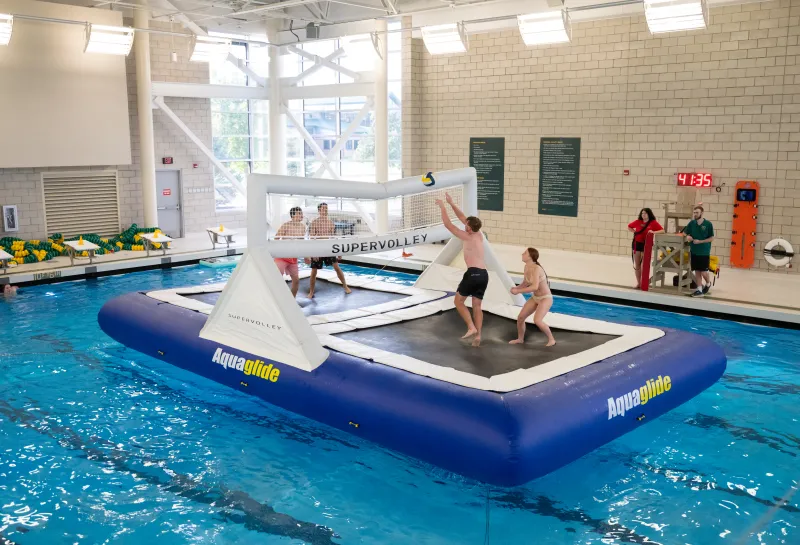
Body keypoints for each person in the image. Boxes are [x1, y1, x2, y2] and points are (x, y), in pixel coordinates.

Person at [435, 192, 487, 347]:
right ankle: (478, 336)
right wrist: (452, 203)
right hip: (484, 275)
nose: (464, 225)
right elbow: (463, 217)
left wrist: (443, 207)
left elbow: (448, 225)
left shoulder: (467, 236)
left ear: (470, 228)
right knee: (477, 306)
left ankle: (471, 327)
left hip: (473, 274)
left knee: (458, 302)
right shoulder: (479, 234)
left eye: (466, 226)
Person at [509, 248, 556, 347]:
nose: (522, 254)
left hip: (545, 298)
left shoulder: (536, 269)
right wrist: (516, 287)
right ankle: (520, 339)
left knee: (537, 320)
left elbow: (535, 286)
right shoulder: (526, 267)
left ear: (530, 257)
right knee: (521, 317)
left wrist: (518, 291)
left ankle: (552, 340)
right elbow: (526, 282)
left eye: (525, 253)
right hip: (536, 297)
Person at [307, 202, 351, 298]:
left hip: (328, 249)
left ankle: (345, 286)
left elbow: (334, 239)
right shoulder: (314, 223)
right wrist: (314, 253)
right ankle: (311, 292)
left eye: (326, 208)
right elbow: (311, 239)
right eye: (323, 209)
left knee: (337, 267)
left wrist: (338, 252)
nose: (325, 210)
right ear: (319, 211)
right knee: (314, 271)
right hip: (318, 249)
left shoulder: (330, 223)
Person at [682, 205, 715, 297]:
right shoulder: (692, 223)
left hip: (704, 251)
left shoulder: (708, 224)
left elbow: (711, 238)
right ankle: (699, 290)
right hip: (694, 251)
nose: (695, 214)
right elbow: (684, 233)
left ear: (702, 213)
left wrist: (700, 241)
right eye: (694, 212)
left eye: (697, 212)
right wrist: (687, 236)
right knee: (697, 271)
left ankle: (708, 283)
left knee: (704, 272)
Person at [627, 208, 664, 289]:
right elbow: (629, 226)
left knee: (644, 265)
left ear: (649, 214)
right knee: (637, 265)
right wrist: (634, 232)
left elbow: (662, 230)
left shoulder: (653, 223)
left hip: (646, 245)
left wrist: (654, 232)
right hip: (637, 244)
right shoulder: (638, 222)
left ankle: (643, 283)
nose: (643, 215)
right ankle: (638, 283)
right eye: (642, 213)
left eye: (645, 213)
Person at [274, 206, 306, 298]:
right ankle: (276, 299)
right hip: (282, 257)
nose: (301, 215)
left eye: (301, 213)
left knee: (296, 280)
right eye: (299, 213)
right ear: (293, 216)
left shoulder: (302, 227)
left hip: (293, 258)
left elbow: (302, 243)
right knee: (277, 279)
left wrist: (306, 256)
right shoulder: (286, 225)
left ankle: (292, 300)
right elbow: (276, 238)